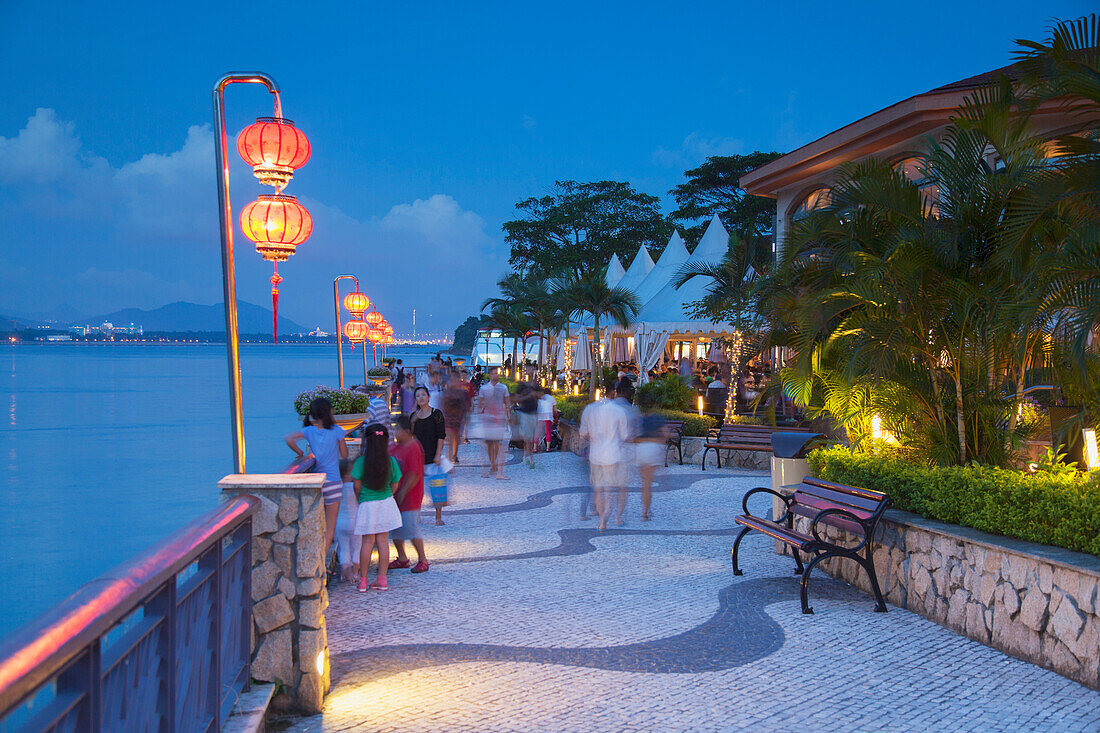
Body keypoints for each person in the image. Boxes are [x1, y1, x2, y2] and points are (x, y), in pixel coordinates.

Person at [286, 397, 347, 560]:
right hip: (333, 481)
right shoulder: (337, 431)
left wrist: (300, 453)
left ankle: (313, 558)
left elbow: (289, 438)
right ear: (329, 412)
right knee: (330, 527)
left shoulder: (309, 431)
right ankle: (320, 561)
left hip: (316, 482)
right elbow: (345, 454)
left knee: (317, 525)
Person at [352, 424, 402, 592]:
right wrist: (389, 494)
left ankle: (363, 581)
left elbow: (356, 485)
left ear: (367, 441)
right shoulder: (391, 461)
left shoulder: (361, 462)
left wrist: (361, 499)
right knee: (382, 541)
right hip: (385, 502)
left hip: (367, 504)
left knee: (367, 542)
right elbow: (395, 483)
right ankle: (382, 579)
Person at [579, 384, 630, 530]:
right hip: (613, 454)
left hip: (595, 454)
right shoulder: (618, 410)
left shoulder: (590, 410)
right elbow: (625, 435)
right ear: (613, 393)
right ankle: (605, 521)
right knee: (609, 491)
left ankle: (601, 519)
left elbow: (583, 433)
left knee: (598, 488)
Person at [388, 416, 429, 573]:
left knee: (411, 528)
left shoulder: (413, 447)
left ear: (406, 431)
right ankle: (402, 558)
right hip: (395, 495)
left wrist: (403, 492)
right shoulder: (395, 447)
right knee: (396, 529)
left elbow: (415, 474)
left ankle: (423, 559)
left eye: (397, 429)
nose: (395, 432)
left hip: (410, 496)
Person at [411, 385, 447, 523]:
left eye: (423, 395)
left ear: (428, 397)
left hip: (433, 456)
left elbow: (441, 436)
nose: (420, 398)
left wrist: (438, 454)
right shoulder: (413, 417)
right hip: (418, 457)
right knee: (417, 488)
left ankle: (438, 517)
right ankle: (417, 515)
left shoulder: (436, 414)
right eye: (418, 396)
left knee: (437, 487)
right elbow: (411, 437)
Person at [478, 367, 511, 479]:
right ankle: (492, 462)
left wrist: (508, 414)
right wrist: (480, 411)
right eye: (492, 374)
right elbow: (480, 402)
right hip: (488, 418)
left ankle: (494, 463)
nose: (494, 375)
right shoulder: (484, 388)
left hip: (499, 418)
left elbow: (507, 401)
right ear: (490, 375)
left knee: (497, 442)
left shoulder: (503, 387)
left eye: (496, 373)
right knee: (489, 442)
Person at [635, 414, 669, 521]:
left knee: (645, 484)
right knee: (648, 485)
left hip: (641, 449)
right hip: (652, 449)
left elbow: (633, 436)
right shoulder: (657, 418)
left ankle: (646, 510)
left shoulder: (640, 418)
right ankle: (645, 513)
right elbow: (667, 433)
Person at [334, 458, 361, 581]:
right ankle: (355, 573)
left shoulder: (336, 488)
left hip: (340, 523)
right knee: (357, 547)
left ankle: (345, 572)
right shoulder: (354, 487)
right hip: (355, 522)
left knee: (344, 547)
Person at [442, 372, 472, 464]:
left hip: (458, 418)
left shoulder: (461, 392)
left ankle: (454, 455)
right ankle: (451, 457)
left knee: (456, 438)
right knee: (450, 438)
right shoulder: (447, 391)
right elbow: (443, 404)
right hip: (449, 417)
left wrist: (465, 414)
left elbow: (466, 404)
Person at [514, 381, 539, 467]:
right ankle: (532, 460)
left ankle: (525, 456)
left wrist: (536, 395)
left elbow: (542, 396)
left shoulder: (536, 384)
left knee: (529, 440)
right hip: (525, 415)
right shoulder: (522, 386)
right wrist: (529, 396)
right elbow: (517, 399)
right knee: (528, 440)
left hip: (535, 414)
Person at [536, 387, 557, 452]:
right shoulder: (552, 398)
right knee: (548, 431)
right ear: (550, 393)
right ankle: (548, 448)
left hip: (540, 416)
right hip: (548, 416)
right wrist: (554, 417)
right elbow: (555, 410)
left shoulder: (540, 398)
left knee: (538, 431)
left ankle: (534, 447)